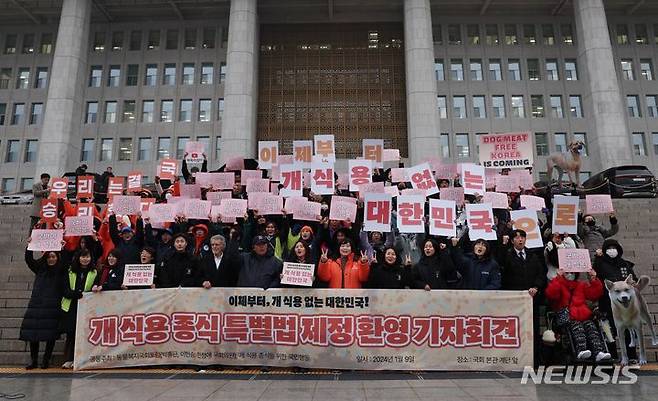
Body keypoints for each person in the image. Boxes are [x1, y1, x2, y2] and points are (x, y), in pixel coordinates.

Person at [498, 229, 546, 366]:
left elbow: (541, 274)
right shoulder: (507, 255)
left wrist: (536, 287)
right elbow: (501, 267)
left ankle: (534, 360)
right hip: (513, 300)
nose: (520, 240)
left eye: (523, 237)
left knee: (533, 329)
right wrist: (503, 245)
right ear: (512, 240)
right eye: (517, 237)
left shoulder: (533, 255)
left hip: (531, 299)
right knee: (513, 330)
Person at [545, 268, 611, 362]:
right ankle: (581, 350)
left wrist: (593, 279)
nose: (570, 275)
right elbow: (551, 294)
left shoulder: (581, 285)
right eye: (567, 273)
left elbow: (594, 294)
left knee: (591, 327)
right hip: (567, 317)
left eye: (572, 272)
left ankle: (598, 352)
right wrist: (558, 278)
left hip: (583, 316)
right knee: (577, 327)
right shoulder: (559, 283)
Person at [20, 242, 66, 369]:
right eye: (49, 257)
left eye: (54, 256)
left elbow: (66, 262)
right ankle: (34, 360)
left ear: (57, 257)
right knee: (32, 334)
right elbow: (29, 260)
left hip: (52, 306)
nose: (51, 259)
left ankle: (46, 360)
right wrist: (30, 246)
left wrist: (62, 249)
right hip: (36, 305)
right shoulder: (40, 269)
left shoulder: (60, 270)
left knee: (50, 335)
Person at [593, 238, 639, 362]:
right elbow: (594, 275)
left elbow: (634, 278)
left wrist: (634, 282)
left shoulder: (624, 264)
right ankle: (612, 355)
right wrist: (597, 257)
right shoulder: (600, 263)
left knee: (629, 329)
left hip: (625, 304)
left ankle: (632, 355)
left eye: (614, 248)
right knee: (609, 330)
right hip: (606, 302)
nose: (612, 250)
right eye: (608, 248)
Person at [59, 249, 99, 369]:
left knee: (84, 333)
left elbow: (94, 287)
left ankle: (79, 358)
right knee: (71, 333)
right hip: (71, 305)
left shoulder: (94, 272)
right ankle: (69, 359)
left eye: (87, 257)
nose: (85, 259)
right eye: (83, 257)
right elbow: (65, 289)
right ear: (78, 258)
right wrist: (78, 294)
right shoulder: (70, 271)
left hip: (87, 307)